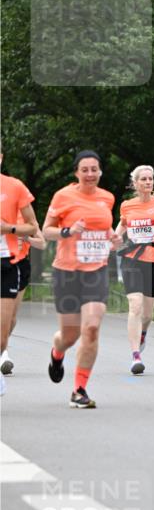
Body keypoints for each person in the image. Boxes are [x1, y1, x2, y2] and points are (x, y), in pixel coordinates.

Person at [42, 151, 122, 408]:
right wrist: (68, 231)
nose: (90, 174)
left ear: (100, 172)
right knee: (69, 335)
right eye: (85, 170)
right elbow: (47, 231)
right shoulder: (63, 196)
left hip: (96, 271)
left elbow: (104, 227)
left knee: (91, 327)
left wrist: (113, 238)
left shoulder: (107, 198)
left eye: (94, 169)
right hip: (66, 272)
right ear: (76, 172)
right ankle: (57, 352)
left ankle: (79, 389)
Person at [115, 166, 154, 374]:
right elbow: (122, 226)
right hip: (132, 259)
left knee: (148, 314)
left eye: (150, 179)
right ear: (136, 183)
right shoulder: (127, 206)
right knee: (135, 306)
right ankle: (135, 355)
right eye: (144, 179)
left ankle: (142, 334)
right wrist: (115, 239)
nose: (148, 182)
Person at [0, 158, 39, 394]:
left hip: (7, 263)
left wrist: (8, 229)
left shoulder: (15, 186)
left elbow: (33, 227)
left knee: (2, 333)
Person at [1, 209, 47, 376]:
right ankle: (3, 354)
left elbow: (42, 244)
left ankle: (2, 349)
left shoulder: (27, 218)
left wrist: (27, 238)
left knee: (11, 316)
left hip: (20, 266)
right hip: (2, 263)